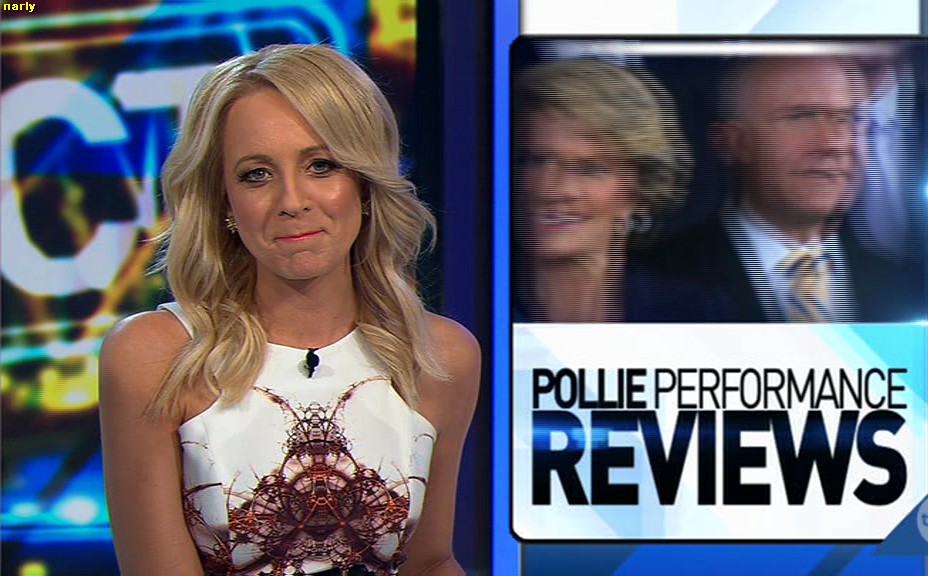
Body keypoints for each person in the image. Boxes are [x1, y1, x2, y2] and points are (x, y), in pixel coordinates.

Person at [99, 44, 480, 576]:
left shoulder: (441, 355)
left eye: (322, 166)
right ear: (224, 200)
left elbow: (430, 562)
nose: (292, 200)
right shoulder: (152, 357)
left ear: (364, 184)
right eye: (256, 174)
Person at [646, 55, 926, 323]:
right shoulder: (653, 281)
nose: (835, 143)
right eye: (802, 117)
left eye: (847, 119)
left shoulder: (906, 286)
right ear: (734, 142)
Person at [512, 58, 722, 322]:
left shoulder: (698, 315)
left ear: (642, 192)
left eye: (590, 169)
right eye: (532, 161)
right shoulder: (470, 306)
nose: (553, 190)